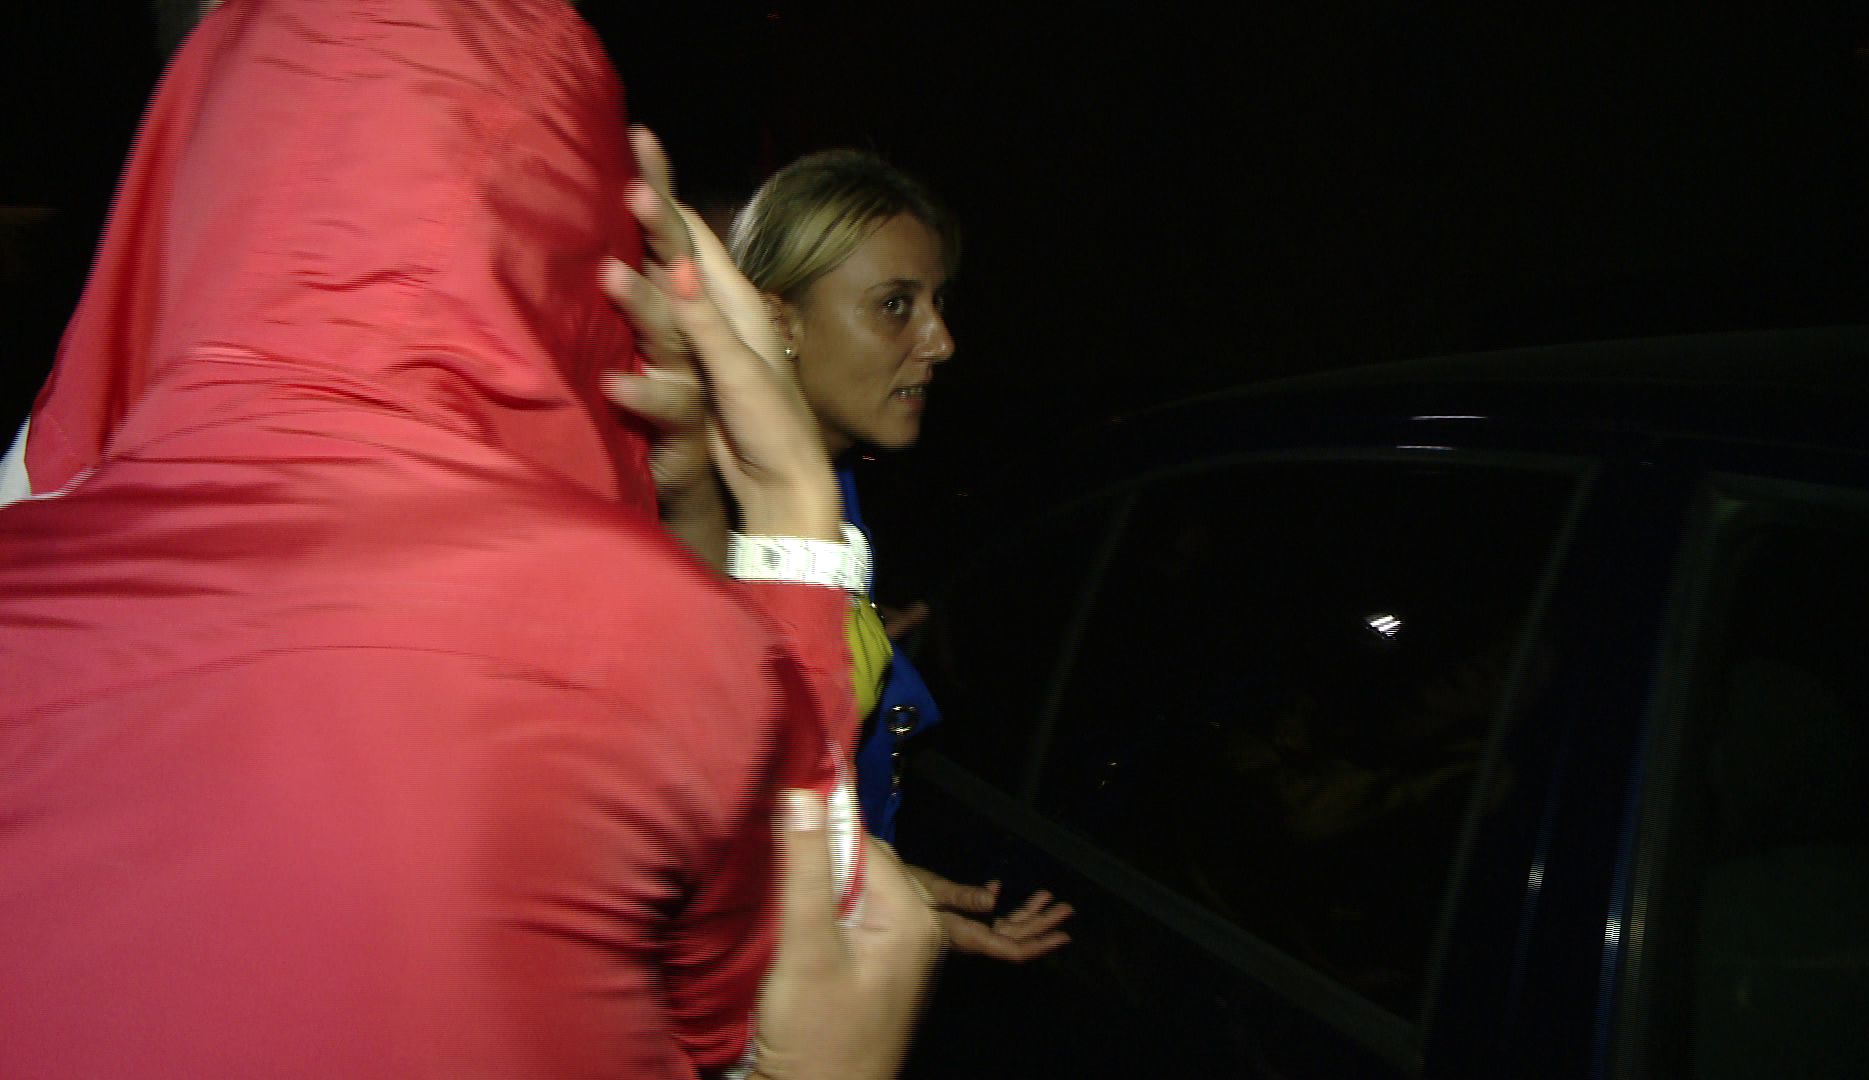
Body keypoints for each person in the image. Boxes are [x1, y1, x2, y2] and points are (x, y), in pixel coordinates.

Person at [0, 2, 939, 1077]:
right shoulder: (642, 643)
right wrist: (792, 514)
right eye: (897, 303)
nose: (940, 340)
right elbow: (780, 986)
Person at [717, 150, 1073, 963]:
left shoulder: (833, 484)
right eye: (894, 306)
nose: (941, 341)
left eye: (937, 302)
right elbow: (708, 848)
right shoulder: (712, 525)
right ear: (780, 322)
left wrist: (867, 881)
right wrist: (846, 898)